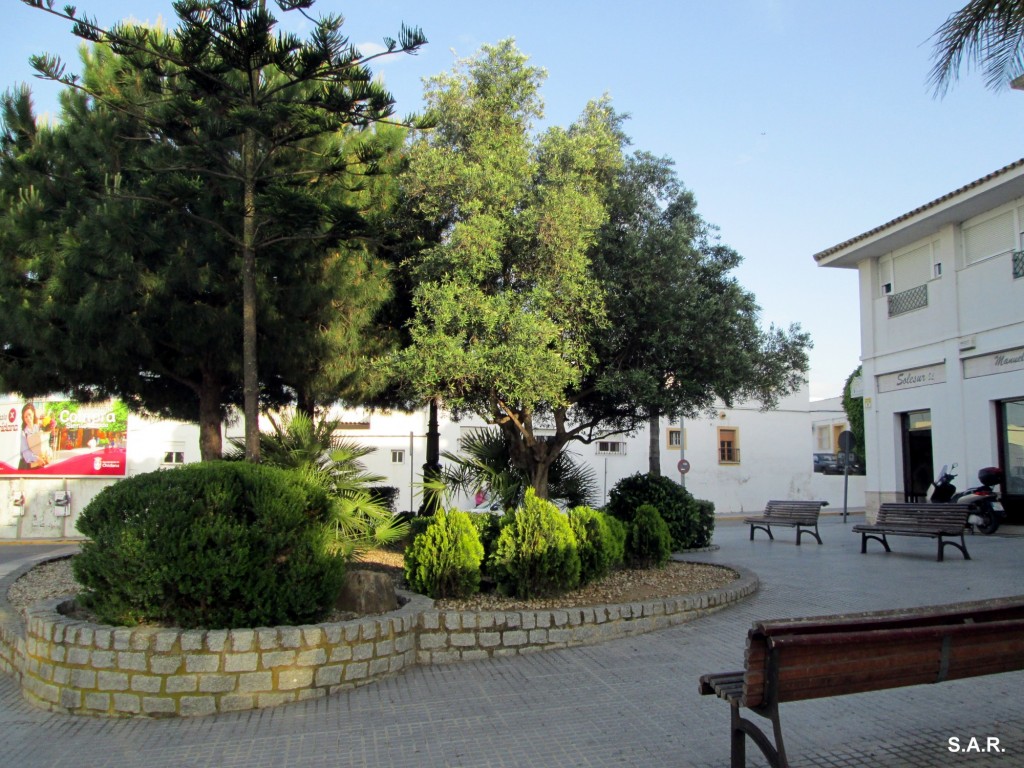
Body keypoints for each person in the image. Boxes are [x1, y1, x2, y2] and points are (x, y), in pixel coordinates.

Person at [18, 402, 49, 470]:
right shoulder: (23, 433)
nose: (28, 418)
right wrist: (37, 459)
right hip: (30, 467)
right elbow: (26, 453)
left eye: (29, 414)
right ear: (23, 419)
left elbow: (46, 444)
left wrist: (48, 454)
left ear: (33, 413)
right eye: (25, 417)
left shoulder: (39, 428)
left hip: (41, 464)